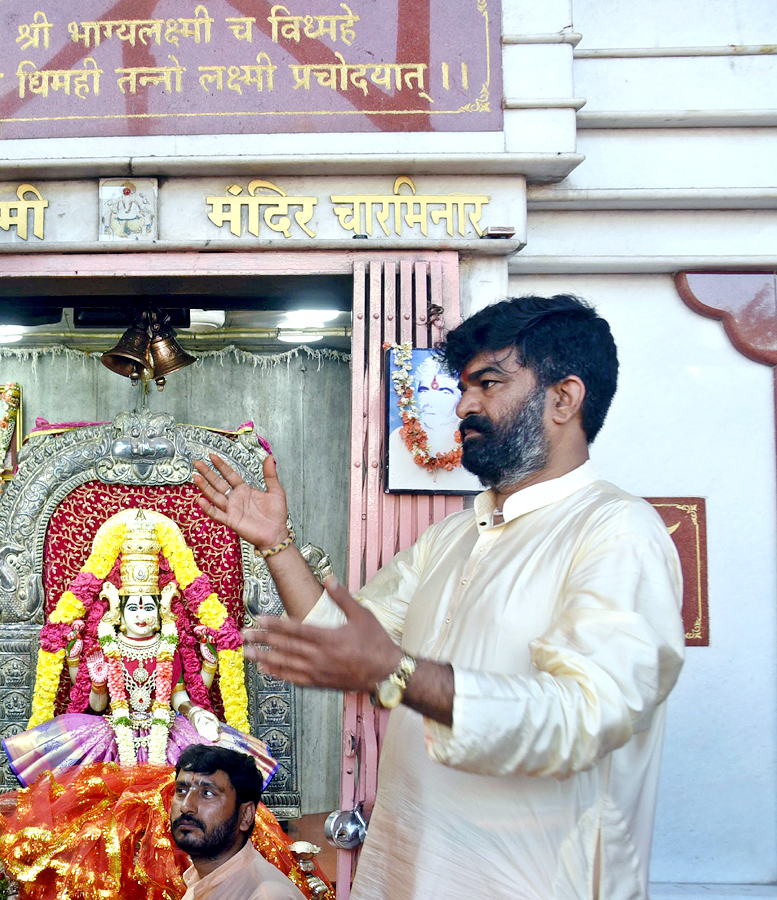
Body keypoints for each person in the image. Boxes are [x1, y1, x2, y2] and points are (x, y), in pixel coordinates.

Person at [193, 295, 686, 900]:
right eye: (464, 386)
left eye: (488, 383)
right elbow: (345, 639)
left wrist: (395, 670)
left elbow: (584, 716)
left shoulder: (617, 530)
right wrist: (278, 546)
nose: (465, 404)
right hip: (407, 872)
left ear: (564, 398)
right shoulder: (455, 535)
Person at [0, 508, 327, 900]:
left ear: (160, 611)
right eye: (133, 607)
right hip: (113, 733)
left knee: (185, 790)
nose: (141, 614)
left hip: (168, 733)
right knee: (98, 821)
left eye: (147, 606)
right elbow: (95, 704)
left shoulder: (169, 646)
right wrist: (87, 672)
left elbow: (179, 694)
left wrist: (197, 708)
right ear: (120, 613)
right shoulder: (109, 647)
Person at [172, 745, 305, 900]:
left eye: (207, 793)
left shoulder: (267, 896)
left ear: (245, 816)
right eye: (181, 791)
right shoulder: (201, 880)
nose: (186, 806)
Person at [385, 351, 482, 493]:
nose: (430, 402)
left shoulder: (475, 441)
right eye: (424, 391)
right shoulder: (396, 439)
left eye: (444, 392)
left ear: (462, 398)